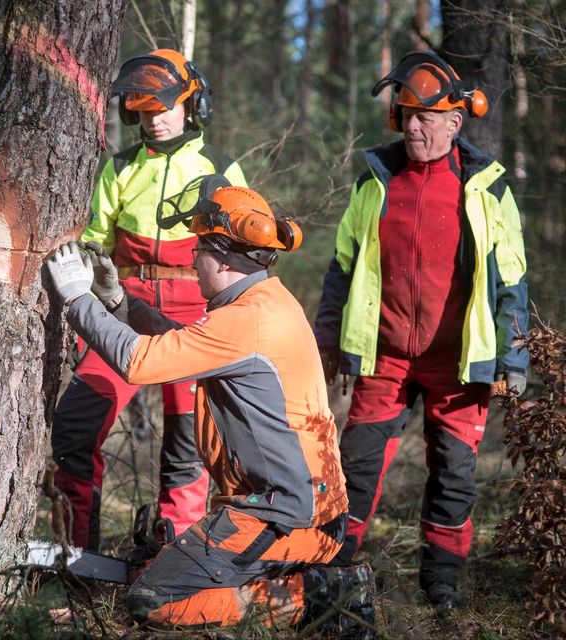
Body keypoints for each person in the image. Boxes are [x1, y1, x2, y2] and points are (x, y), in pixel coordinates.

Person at [45, 178, 373, 633]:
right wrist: (119, 301)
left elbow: (138, 361)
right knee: (153, 570)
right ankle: (297, 582)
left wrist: (79, 298)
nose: (192, 259)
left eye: (199, 248)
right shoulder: (264, 302)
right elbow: (182, 347)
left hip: (285, 516)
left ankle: (312, 599)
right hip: (293, 509)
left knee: (151, 600)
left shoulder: (246, 320)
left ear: (222, 256)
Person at [313, 51, 529, 610]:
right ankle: (333, 570)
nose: (412, 125)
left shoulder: (486, 187)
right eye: (405, 114)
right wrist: (329, 337)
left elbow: (512, 278)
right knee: (356, 465)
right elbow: (343, 264)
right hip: (384, 355)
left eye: (424, 117)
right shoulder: (375, 180)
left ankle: (442, 584)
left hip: (458, 360)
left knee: (454, 473)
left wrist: (512, 359)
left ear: (454, 123)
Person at [51, 48, 248, 551]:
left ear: (190, 105)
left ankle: (172, 563)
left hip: (195, 324)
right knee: (75, 427)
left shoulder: (220, 170)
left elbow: (245, 260)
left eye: (162, 108)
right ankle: (76, 559)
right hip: (123, 313)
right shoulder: (118, 169)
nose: (153, 120)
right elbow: (96, 236)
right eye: (142, 110)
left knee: (188, 447)